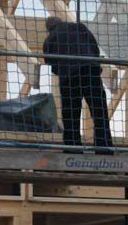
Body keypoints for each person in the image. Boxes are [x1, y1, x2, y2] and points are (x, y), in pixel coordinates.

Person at [42, 16, 113, 153]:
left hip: (69, 77)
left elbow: (51, 62)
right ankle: (104, 147)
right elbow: (94, 47)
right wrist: (94, 64)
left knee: (71, 115)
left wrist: (62, 70)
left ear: (49, 29)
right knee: (99, 112)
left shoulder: (50, 39)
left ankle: (72, 148)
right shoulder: (79, 28)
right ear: (60, 21)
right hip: (90, 72)